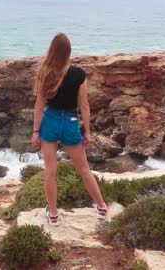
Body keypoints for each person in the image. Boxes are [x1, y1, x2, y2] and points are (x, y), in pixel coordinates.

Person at [30, 32, 108, 226]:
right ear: (69, 52)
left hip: (50, 122)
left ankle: (54, 214)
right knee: (83, 169)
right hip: (71, 123)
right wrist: (87, 132)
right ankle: (101, 207)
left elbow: (39, 105)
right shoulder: (78, 75)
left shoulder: (44, 72)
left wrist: (36, 132)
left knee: (50, 171)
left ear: (52, 51)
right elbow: (85, 106)